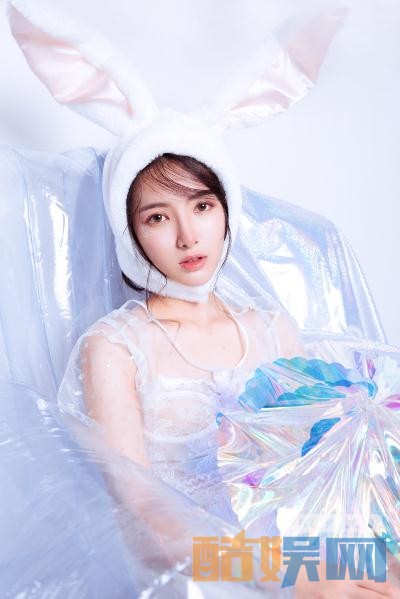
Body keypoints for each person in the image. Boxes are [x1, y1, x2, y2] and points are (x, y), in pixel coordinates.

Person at [59, 152, 397, 598]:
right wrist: (287, 574)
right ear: (131, 233)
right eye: (158, 217)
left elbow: (319, 474)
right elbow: (141, 517)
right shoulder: (115, 345)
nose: (187, 236)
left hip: (298, 554)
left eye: (202, 206)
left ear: (226, 210)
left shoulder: (272, 329)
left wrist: (374, 541)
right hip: (200, 573)